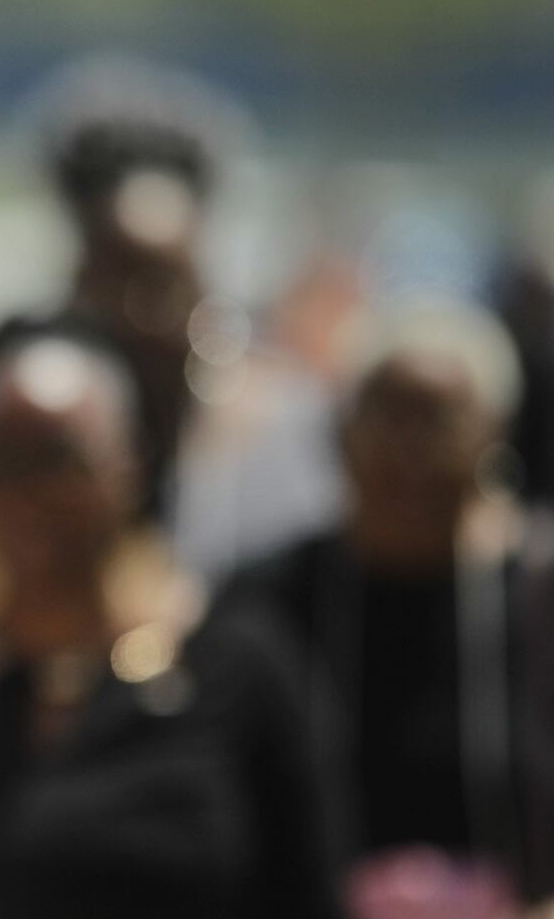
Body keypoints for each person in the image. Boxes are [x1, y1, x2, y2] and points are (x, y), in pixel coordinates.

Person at [0, 321, 343, 919]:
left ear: (129, 465)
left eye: (56, 460)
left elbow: (311, 892)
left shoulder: (233, 660)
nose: (26, 492)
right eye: (2, 460)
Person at [218, 299, 554, 916]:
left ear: (493, 435)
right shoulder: (266, 604)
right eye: (387, 415)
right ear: (342, 432)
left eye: (434, 419)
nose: (408, 450)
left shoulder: (536, 596)